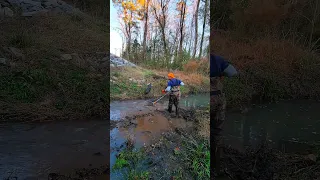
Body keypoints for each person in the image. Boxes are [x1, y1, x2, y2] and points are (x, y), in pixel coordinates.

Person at [210, 53, 238, 177]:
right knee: (217, 132)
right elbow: (233, 73)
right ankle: (217, 166)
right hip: (219, 99)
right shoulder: (217, 59)